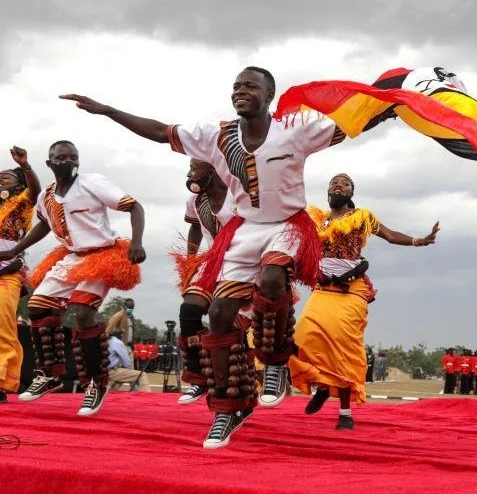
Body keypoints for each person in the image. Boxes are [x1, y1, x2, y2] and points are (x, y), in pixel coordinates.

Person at [60, 66, 346, 448]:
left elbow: (356, 118)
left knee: (274, 278)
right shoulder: (217, 134)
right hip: (243, 231)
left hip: (288, 224)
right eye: (236, 86)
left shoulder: (296, 128)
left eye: (250, 86)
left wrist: (397, 103)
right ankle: (229, 408)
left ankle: (276, 361)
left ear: (270, 96)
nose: (240, 91)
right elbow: (160, 131)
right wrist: (108, 110)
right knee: (218, 316)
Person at [0, 140, 146, 417]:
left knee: (82, 311)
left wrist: (137, 242)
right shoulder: (48, 194)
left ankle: (95, 383)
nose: (67, 161)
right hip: (71, 256)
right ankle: (50, 374)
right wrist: (17, 249)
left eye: (72, 157)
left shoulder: (93, 183)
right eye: (60, 157)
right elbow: (44, 223)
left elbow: (135, 207)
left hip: (103, 254)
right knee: (37, 306)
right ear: (50, 163)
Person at [290, 172, 439, 430]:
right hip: (323, 290)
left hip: (351, 291)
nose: (338, 185)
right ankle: (324, 387)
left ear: (351, 193)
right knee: (303, 337)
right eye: (333, 183)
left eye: (344, 183)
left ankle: (345, 413)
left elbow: (391, 236)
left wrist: (419, 241)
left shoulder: (362, 217)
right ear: (328, 192)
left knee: (345, 348)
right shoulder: (319, 221)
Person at [174, 159, 234, 405]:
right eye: (189, 167)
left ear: (212, 169)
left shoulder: (237, 192)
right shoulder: (195, 201)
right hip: (212, 263)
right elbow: (196, 227)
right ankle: (198, 376)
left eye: (194, 168)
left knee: (232, 326)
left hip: (243, 262)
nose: (189, 173)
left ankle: (239, 387)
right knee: (189, 310)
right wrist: (190, 263)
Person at [0, 146, 41, 403]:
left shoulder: (23, 204)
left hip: (7, 273)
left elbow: (36, 192)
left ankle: (2, 382)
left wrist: (25, 166)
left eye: (6, 176)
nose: (0, 178)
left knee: (2, 327)